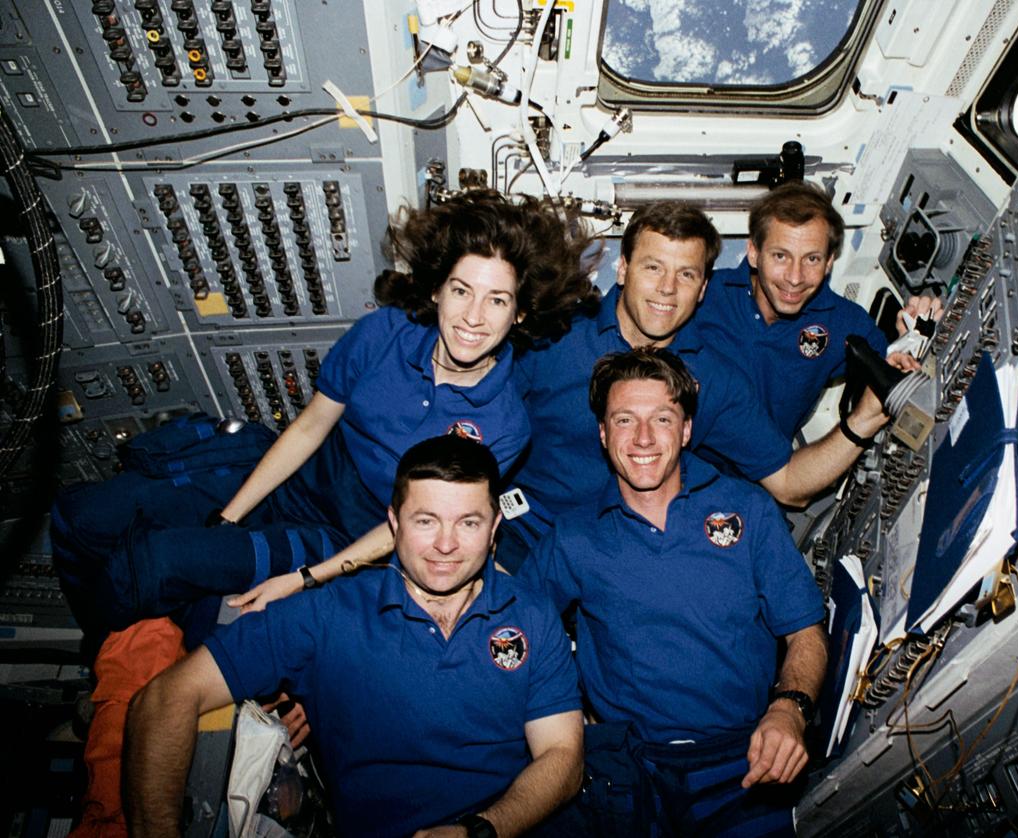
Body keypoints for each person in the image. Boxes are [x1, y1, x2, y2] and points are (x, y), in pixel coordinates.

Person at [51, 190, 598, 641]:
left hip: (344, 536)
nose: (474, 317)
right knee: (81, 516)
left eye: (497, 300)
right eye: (462, 291)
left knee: (150, 565)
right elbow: (312, 424)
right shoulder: (384, 334)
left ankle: (109, 667)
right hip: (291, 478)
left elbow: (409, 527)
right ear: (436, 290)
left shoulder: (502, 427)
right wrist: (231, 514)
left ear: (520, 312)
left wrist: (304, 579)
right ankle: (114, 636)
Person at [125, 435, 584, 838]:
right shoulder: (327, 614)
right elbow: (166, 698)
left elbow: (563, 758)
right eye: (426, 521)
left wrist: (481, 830)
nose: (446, 545)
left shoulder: (532, 615)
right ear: (393, 524)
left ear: (494, 529)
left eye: (469, 522)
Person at [522, 348, 827, 836]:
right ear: (603, 435)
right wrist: (563, 712)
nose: (643, 438)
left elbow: (805, 633)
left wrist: (789, 710)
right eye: (625, 420)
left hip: (745, 756)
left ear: (685, 430)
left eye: (662, 419)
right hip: (628, 764)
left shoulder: (747, 509)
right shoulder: (574, 535)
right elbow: (517, 634)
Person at [499, 201, 890, 571]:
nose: (668, 288)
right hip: (517, 538)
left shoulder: (712, 380)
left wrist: (863, 421)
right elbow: (473, 422)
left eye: (686, 274)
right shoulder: (555, 337)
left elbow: (789, 484)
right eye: (653, 267)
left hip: (618, 565)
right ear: (623, 269)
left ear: (703, 289)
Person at [696, 180, 936, 439]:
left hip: (766, 473)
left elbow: (892, 366)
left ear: (829, 262)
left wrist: (913, 337)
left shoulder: (842, 322)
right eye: (780, 256)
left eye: (812, 259)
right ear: (754, 252)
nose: (795, 277)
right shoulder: (704, 297)